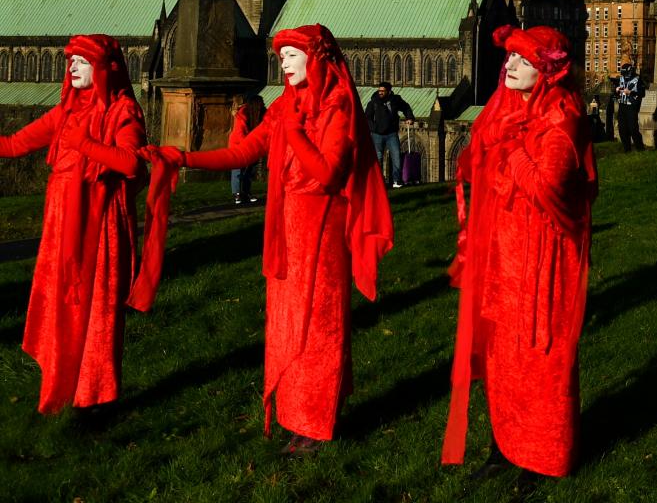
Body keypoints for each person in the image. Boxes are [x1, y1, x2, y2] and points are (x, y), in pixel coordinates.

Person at [143, 23, 393, 455]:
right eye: (282, 57)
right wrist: (182, 156)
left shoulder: (338, 107)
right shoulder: (285, 105)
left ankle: (316, 421)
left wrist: (295, 132)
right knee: (287, 326)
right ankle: (298, 413)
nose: (285, 63)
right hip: (287, 229)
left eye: (293, 55)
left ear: (316, 58)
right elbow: (243, 151)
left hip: (321, 230)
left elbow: (330, 174)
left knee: (318, 325)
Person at [442, 24, 597, 478]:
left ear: (547, 71)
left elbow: (550, 191)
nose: (509, 66)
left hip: (544, 255)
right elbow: (470, 165)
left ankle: (542, 451)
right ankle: (505, 442)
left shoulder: (562, 119)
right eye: (509, 57)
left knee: (541, 356)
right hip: (504, 251)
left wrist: (510, 151)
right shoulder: (504, 107)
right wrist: (490, 142)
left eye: (523, 60)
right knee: (503, 355)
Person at [0, 35, 145, 413]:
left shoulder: (123, 110)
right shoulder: (65, 109)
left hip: (98, 221)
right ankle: (62, 383)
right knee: (61, 304)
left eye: (80, 61)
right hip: (60, 220)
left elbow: (131, 163)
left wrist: (85, 145)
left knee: (97, 306)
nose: (72, 68)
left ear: (103, 68)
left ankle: (96, 398)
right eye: (70, 61)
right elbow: (15, 144)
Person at [365, 80, 415, 188]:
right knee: (378, 158)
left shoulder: (395, 100)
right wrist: (374, 128)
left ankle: (396, 181)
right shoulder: (373, 102)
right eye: (379, 90)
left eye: (383, 91)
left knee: (396, 156)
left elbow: (406, 107)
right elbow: (367, 117)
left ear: (389, 91)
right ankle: (378, 181)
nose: (380, 92)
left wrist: (410, 117)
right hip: (377, 135)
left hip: (392, 134)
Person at [230, 92, 265, 206]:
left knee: (248, 171)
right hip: (238, 146)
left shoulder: (259, 114)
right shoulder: (242, 116)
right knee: (237, 171)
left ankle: (246, 192)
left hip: (250, 145)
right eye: (261, 104)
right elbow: (240, 134)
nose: (263, 106)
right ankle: (236, 193)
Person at [614, 61, 642, 151]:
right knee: (622, 129)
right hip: (622, 106)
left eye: (626, 73)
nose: (624, 76)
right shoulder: (621, 78)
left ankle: (640, 148)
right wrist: (617, 90)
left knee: (633, 129)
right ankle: (627, 149)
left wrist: (630, 92)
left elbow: (642, 93)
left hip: (632, 107)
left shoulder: (638, 79)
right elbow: (616, 93)